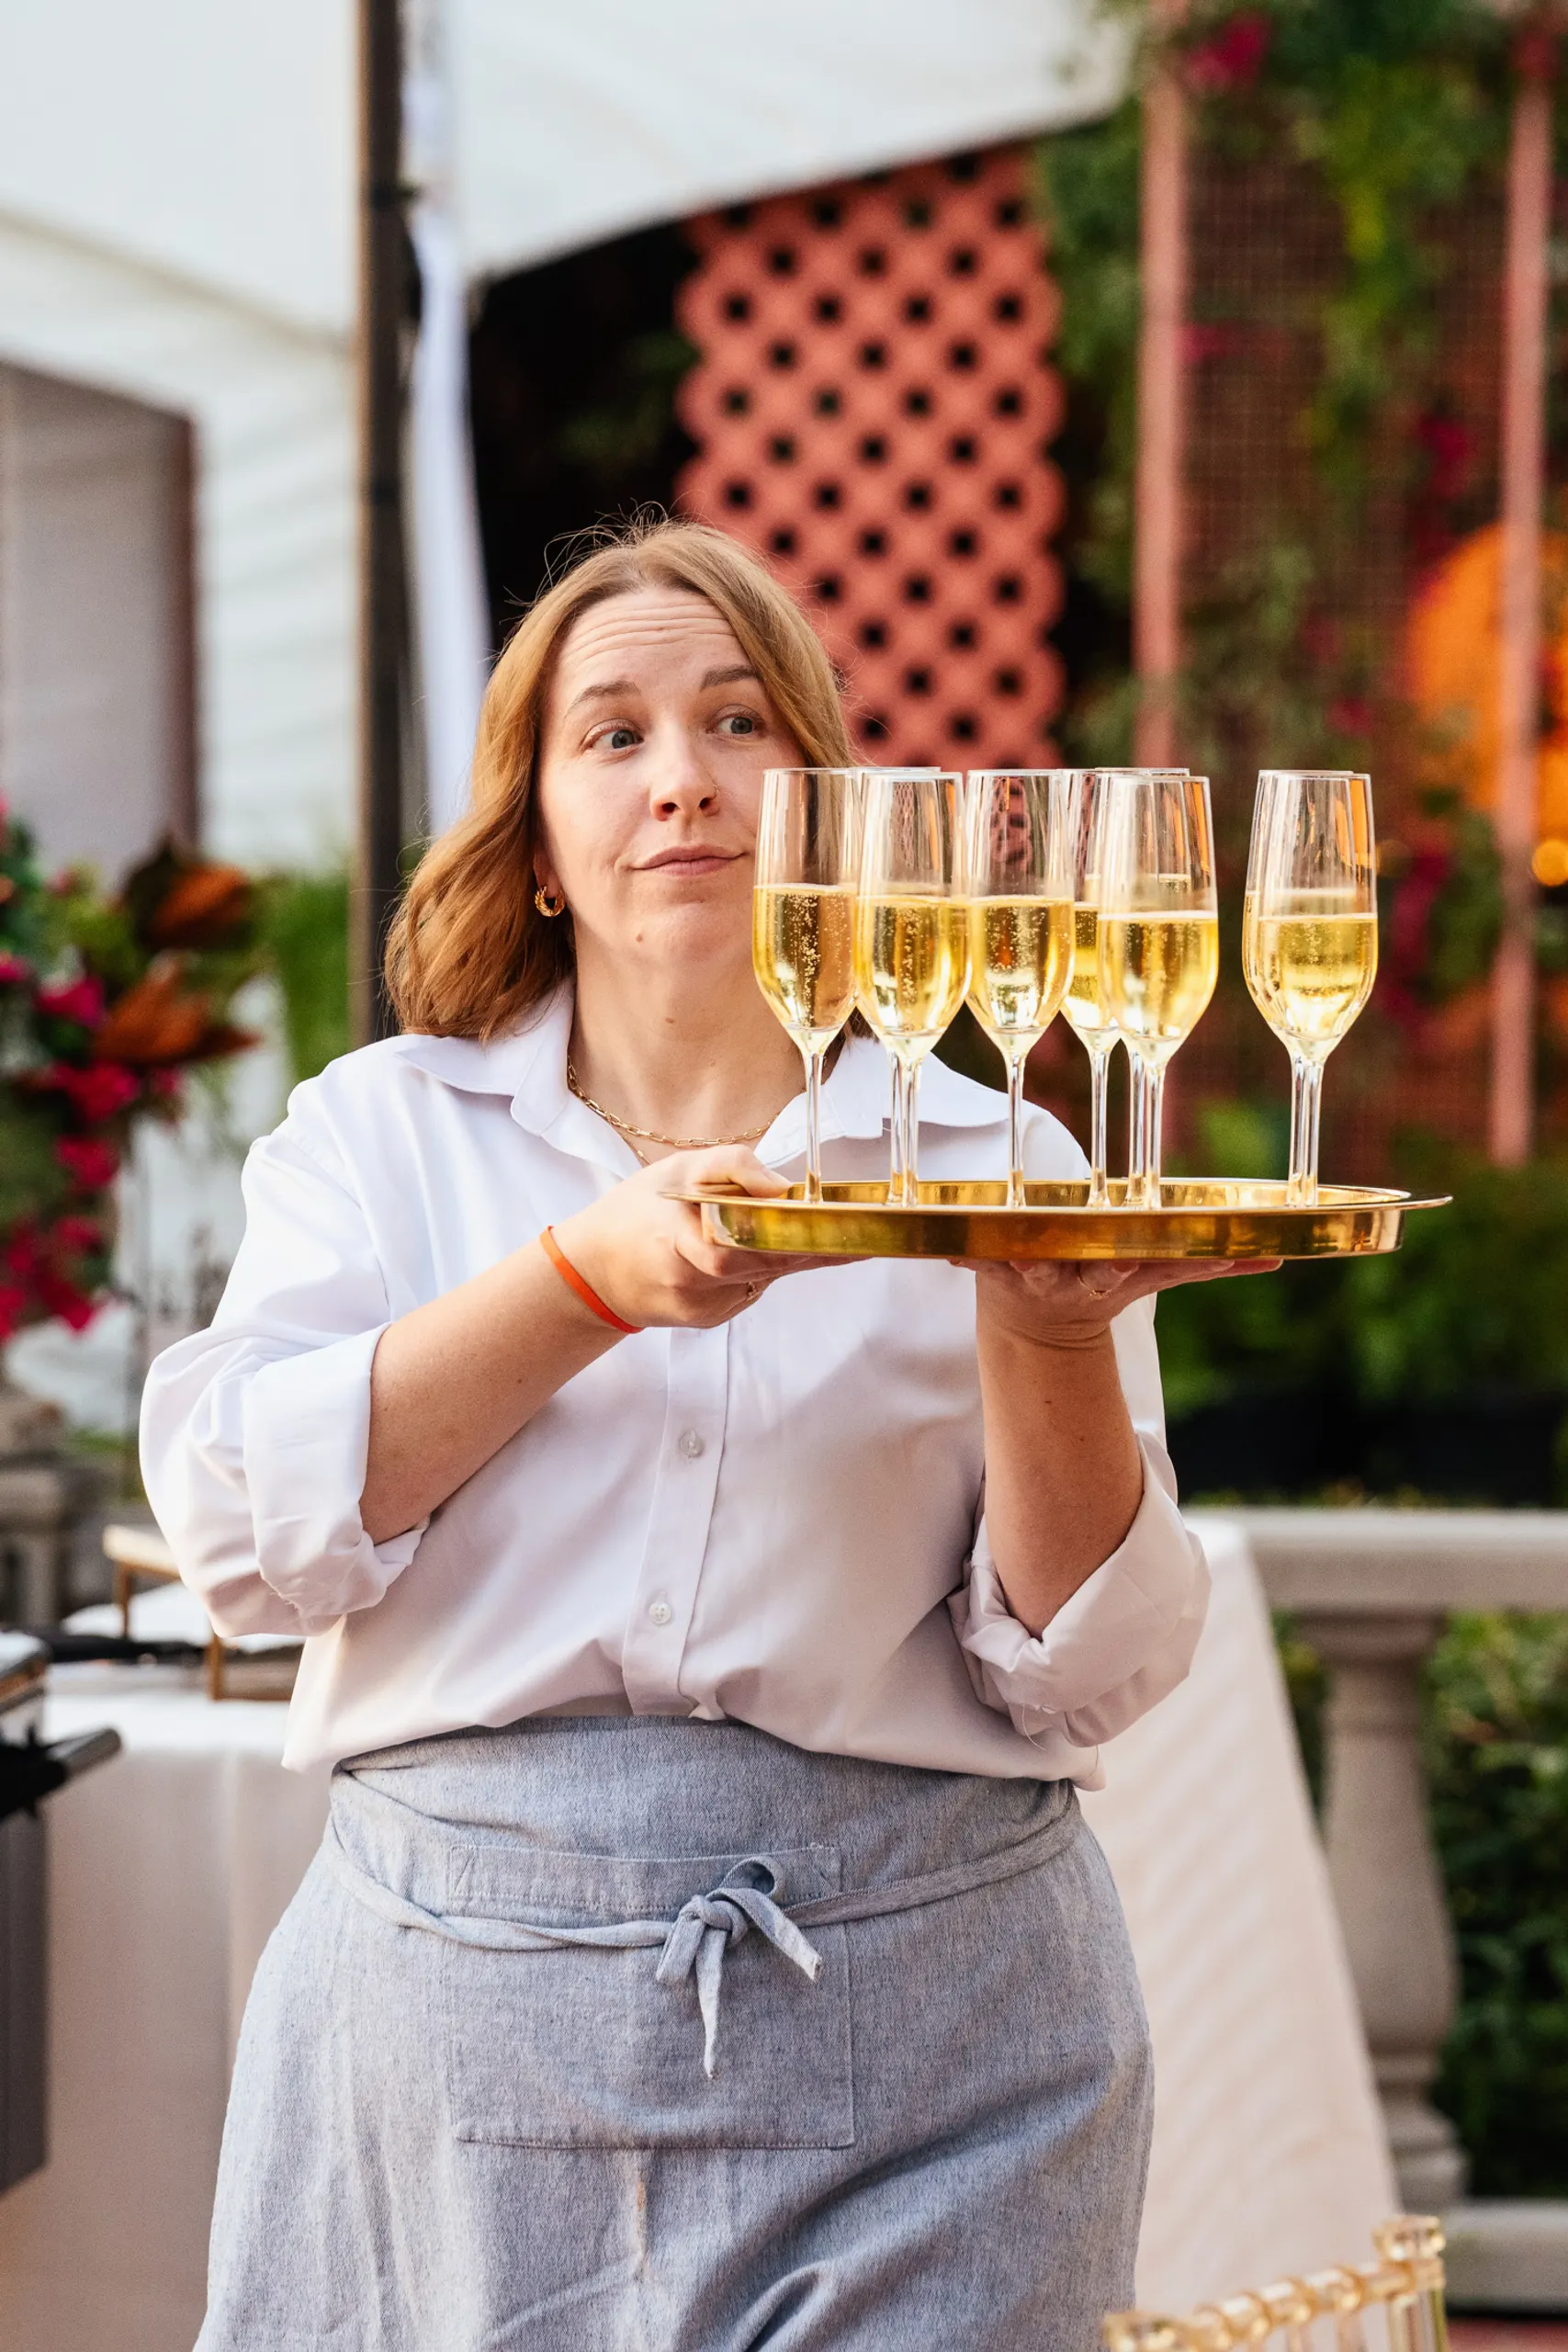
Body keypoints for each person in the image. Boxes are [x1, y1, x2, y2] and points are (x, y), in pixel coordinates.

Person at [141, 518, 1269, 2352]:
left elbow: (1086, 1669)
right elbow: (237, 1535)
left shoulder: (1003, 1166)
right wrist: (581, 1280)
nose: (684, 779)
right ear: (539, 845)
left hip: (950, 2053)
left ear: (828, 810)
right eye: (615, 734)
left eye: (742, 722)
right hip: (453, 2046)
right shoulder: (377, 1139)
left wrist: (1047, 1335)